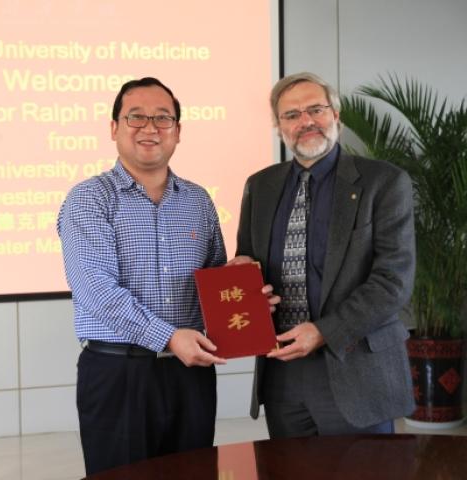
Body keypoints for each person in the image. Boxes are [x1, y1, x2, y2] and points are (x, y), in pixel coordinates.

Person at [57, 77, 229, 475]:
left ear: (178, 131)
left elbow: (215, 277)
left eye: (163, 118)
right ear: (114, 127)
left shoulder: (199, 200)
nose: (150, 128)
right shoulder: (89, 198)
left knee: (194, 471)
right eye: (136, 117)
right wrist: (169, 337)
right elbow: (97, 290)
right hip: (119, 374)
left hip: (191, 375)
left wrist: (243, 288)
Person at [233, 72, 416, 437]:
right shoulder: (261, 186)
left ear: (336, 115)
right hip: (282, 373)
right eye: (292, 115)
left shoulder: (383, 181)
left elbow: (393, 282)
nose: (306, 122)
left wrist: (323, 331)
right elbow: (247, 259)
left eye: (315, 109)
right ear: (278, 126)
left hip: (355, 368)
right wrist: (244, 277)